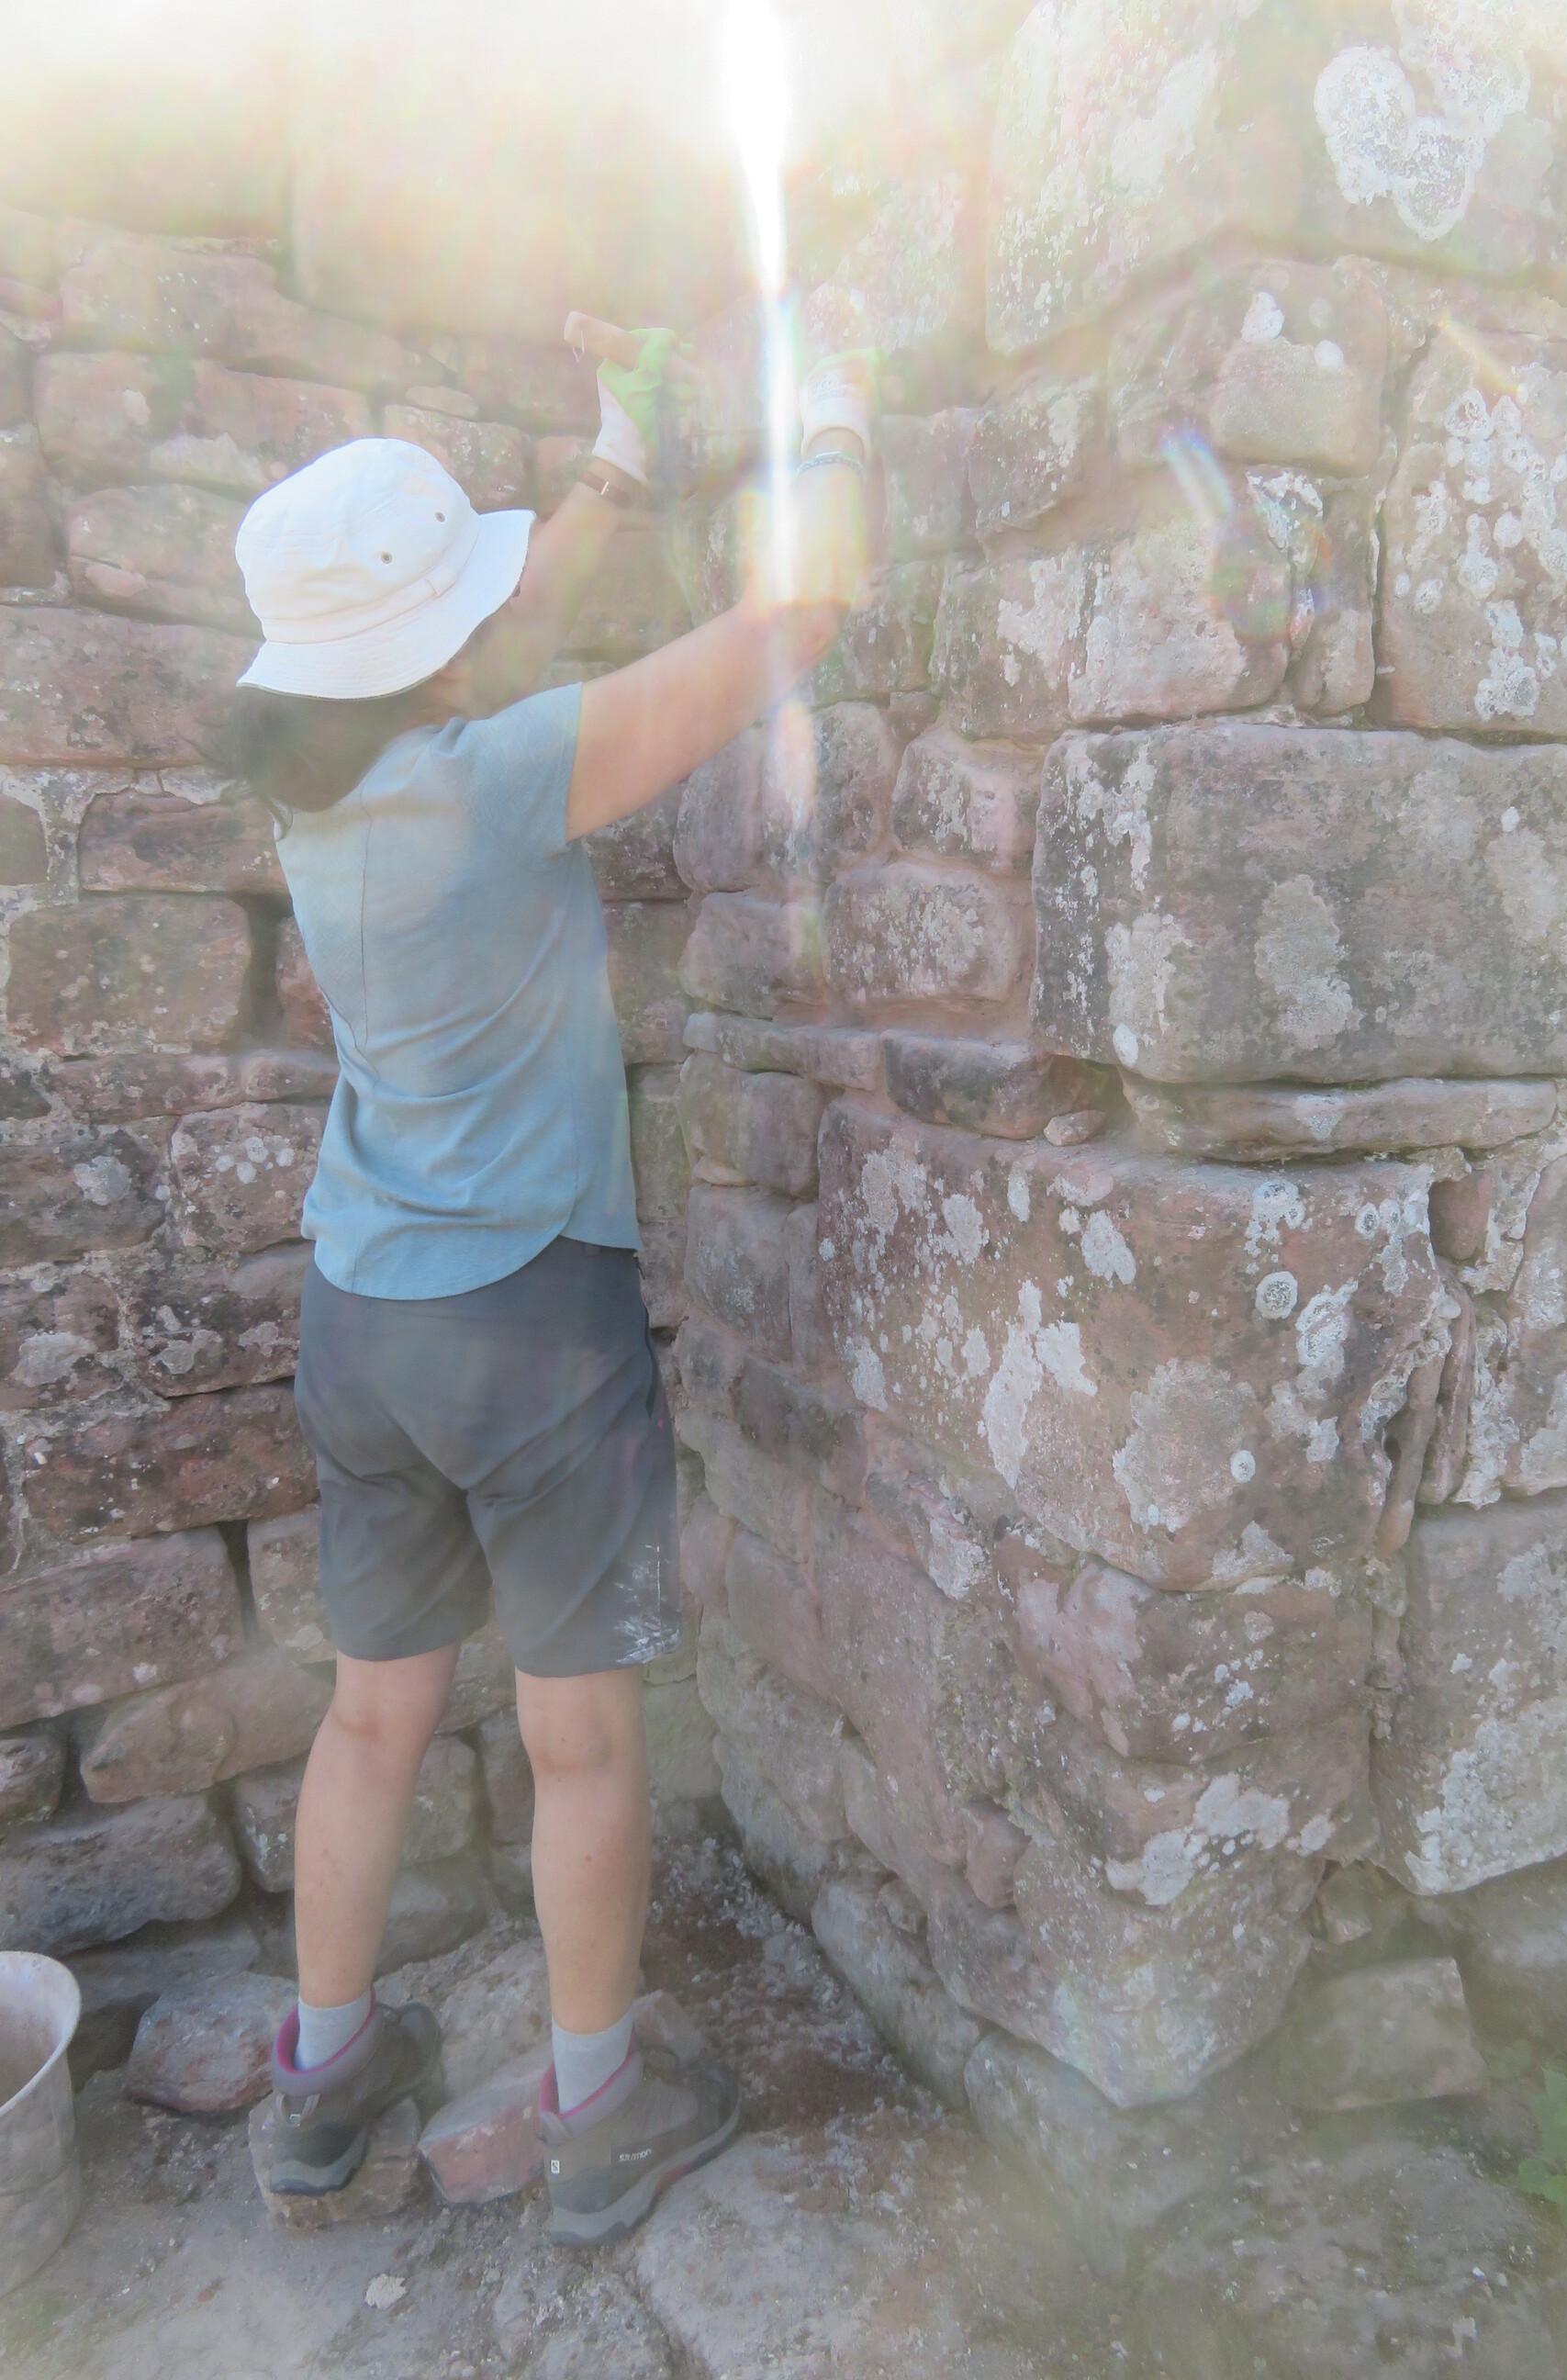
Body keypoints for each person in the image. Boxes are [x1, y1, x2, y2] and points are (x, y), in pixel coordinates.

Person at [228, 325, 875, 2245]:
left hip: (363, 1318)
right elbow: (794, 623)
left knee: (371, 1718)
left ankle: (320, 2082)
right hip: (530, 1328)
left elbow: (468, 659)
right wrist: (827, 406)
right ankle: (598, 2114)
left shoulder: (318, 790)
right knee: (579, 1737)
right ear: (434, 652)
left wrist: (613, 464)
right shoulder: (504, 777)